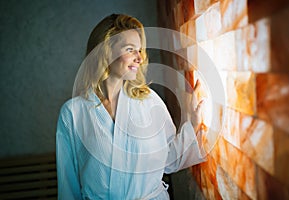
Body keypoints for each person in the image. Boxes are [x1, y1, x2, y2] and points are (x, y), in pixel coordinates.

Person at [56, 13, 205, 200]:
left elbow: (169, 159)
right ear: (105, 52)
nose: (140, 58)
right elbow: (67, 186)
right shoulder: (73, 113)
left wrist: (192, 123)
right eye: (130, 49)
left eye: (140, 50)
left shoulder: (149, 101)